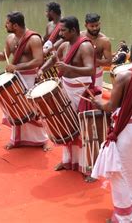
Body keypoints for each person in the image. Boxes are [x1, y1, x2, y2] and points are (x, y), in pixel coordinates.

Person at [91, 43, 132, 223]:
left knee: (120, 171)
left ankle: (123, 218)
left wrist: (98, 104)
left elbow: (111, 106)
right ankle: (129, 211)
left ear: (130, 58)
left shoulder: (124, 76)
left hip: (125, 129)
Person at [39, 16, 97, 179]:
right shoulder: (64, 45)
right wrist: (42, 69)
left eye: (63, 30)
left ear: (73, 30)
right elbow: (53, 59)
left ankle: (90, 167)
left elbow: (91, 70)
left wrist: (68, 67)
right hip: (66, 88)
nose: (60, 33)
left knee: (84, 131)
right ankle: (69, 161)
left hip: (81, 92)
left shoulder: (85, 46)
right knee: (66, 126)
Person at [0, 11, 49, 151]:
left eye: (8, 23)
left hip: (29, 77)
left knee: (32, 109)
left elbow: (38, 60)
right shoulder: (10, 38)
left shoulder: (34, 39)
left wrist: (16, 66)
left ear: (15, 25)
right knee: (14, 107)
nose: (5, 25)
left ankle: (42, 139)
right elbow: (2, 56)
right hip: (15, 77)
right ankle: (16, 139)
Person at [81, 13, 112, 94]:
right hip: (81, 72)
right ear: (86, 25)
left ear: (99, 24)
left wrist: (90, 60)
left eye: (97, 25)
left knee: (96, 98)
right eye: (92, 26)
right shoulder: (79, 36)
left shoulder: (105, 41)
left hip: (97, 73)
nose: (95, 28)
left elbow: (108, 62)